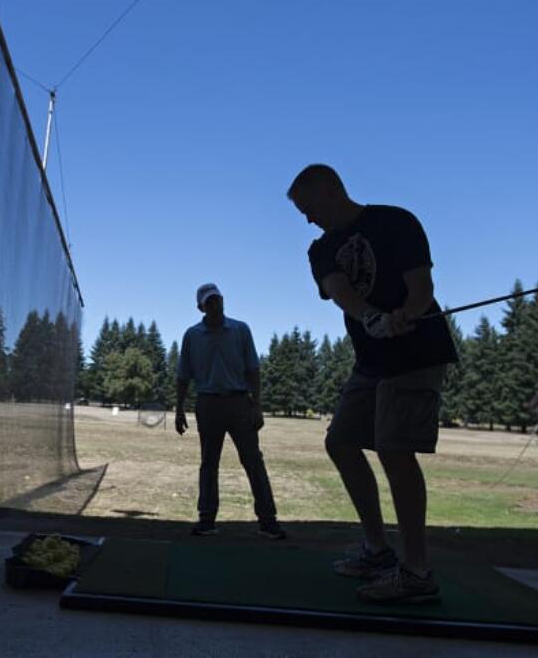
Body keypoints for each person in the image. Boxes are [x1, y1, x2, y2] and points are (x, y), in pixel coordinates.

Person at [287, 164, 458, 604]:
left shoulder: (395, 221)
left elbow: (421, 286)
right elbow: (341, 290)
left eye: (308, 208)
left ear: (330, 191)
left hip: (417, 352)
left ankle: (417, 572)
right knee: (341, 441)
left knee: (394, 450)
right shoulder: (321, 248)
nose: (307, 218)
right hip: (371, 358)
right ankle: (377, 550)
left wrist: (410, 312)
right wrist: (372, 317)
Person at [176, 283, 286, 540]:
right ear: (200, 307)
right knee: (208, 462)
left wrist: (257, 406)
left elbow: (253, 370)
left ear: (223, 300)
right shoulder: (192, 336)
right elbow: (183, 375)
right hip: (207, 404)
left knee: (253, 461)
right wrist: (179, 409)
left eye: (216, 299)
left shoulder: (240, 330)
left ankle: (268, 521)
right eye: (208, 302)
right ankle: (206, 520)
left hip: (239, 404)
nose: (214, 304)